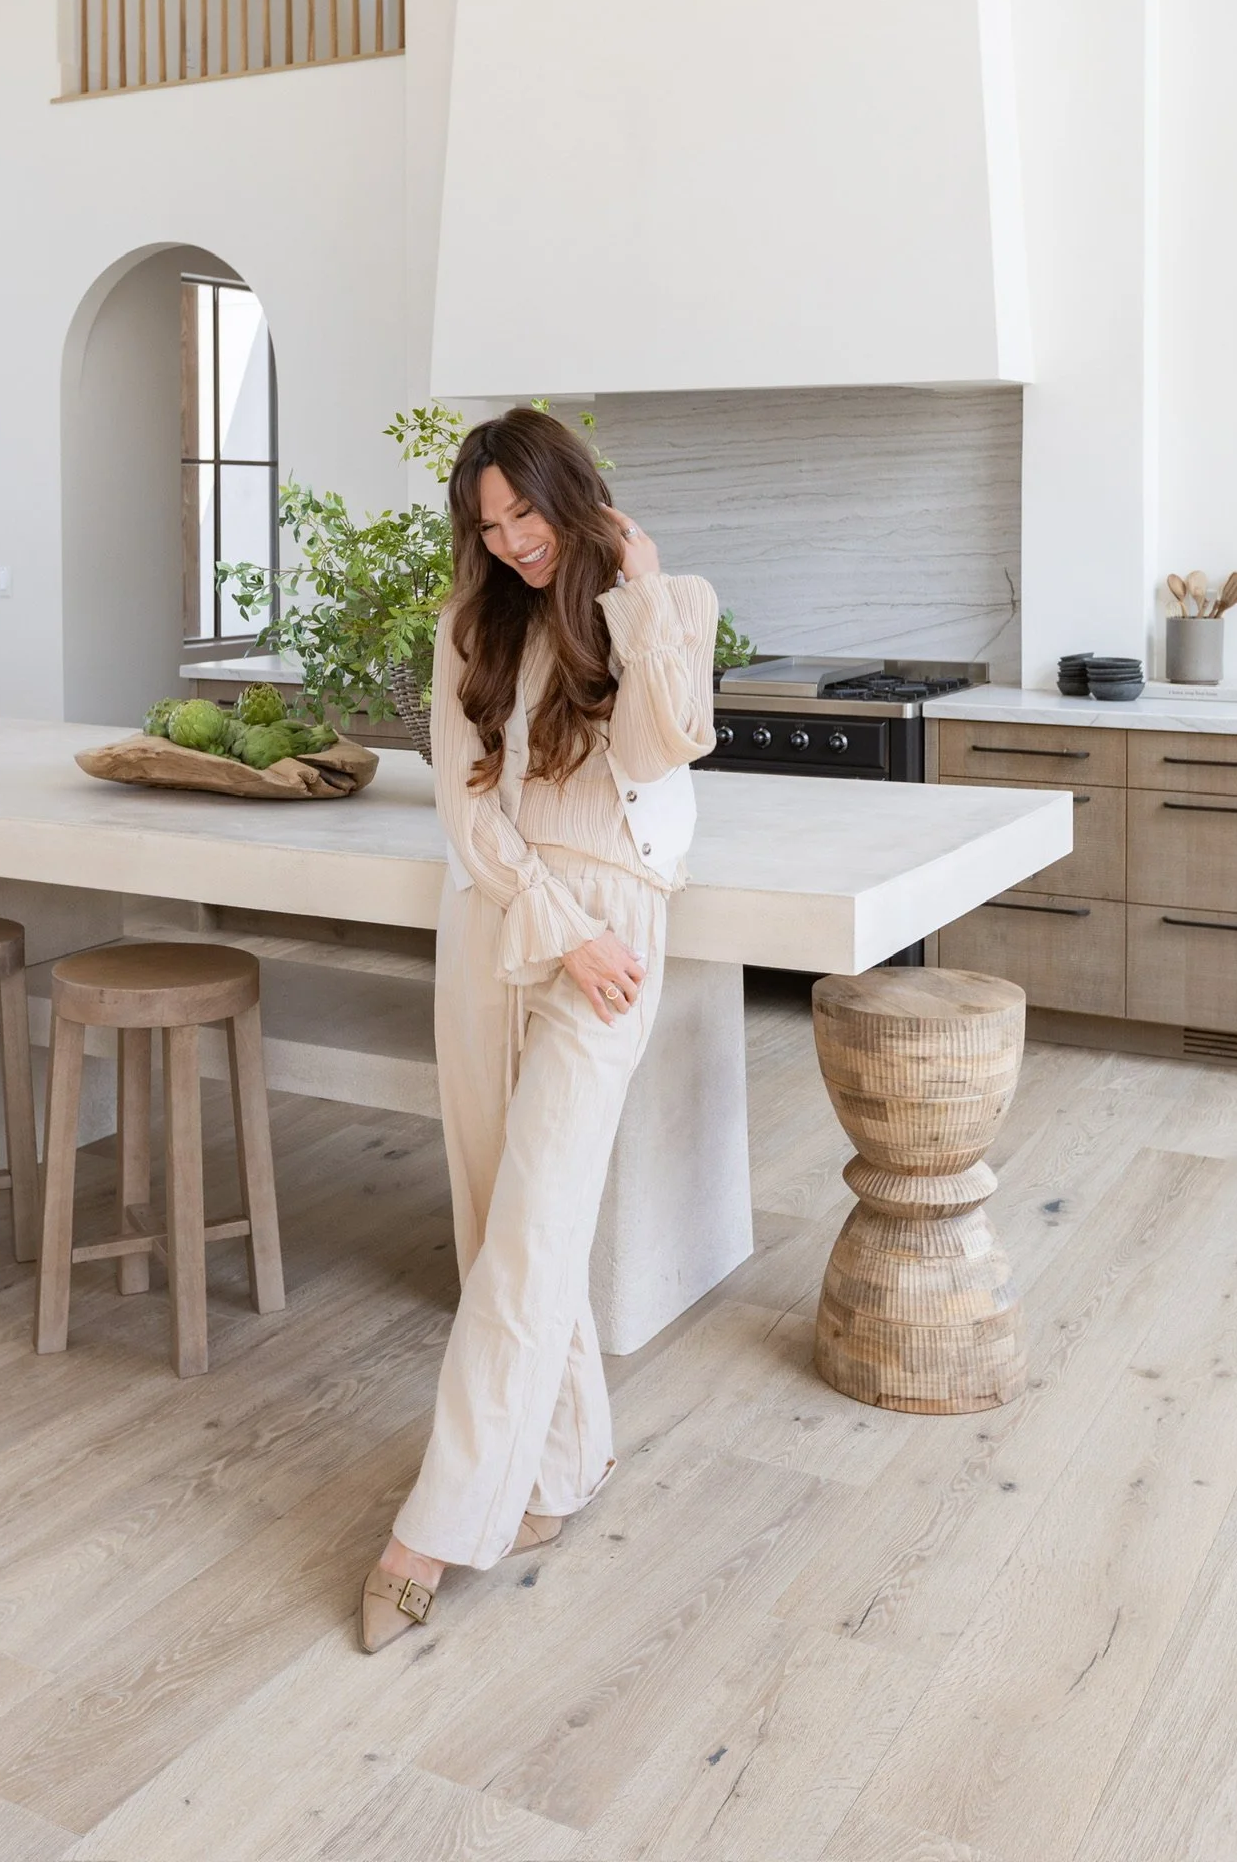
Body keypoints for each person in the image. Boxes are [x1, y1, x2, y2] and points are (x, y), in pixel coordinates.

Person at [359, 405, 718, 1651]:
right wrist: (560, 927)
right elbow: (468, 813)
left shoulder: (656, 607)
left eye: (526, 513)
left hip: (612, 938)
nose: (512, 540)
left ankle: (434, 1526)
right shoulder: (470, 624)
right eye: (491, 522)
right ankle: (562, 1471)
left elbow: (665, 747)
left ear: (571, 495)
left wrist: (643, 592)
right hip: (502, 919)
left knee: (535, 1222)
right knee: (493, 1216)